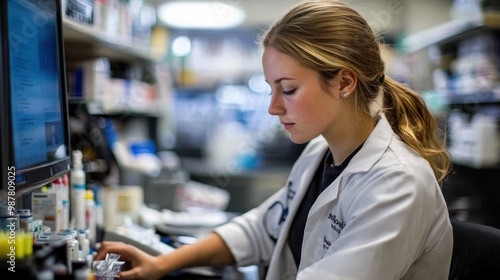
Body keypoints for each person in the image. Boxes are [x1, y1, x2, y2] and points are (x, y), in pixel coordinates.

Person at [95, 0, 453, 279]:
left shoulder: (397, 184)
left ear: (345, 82)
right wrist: (163, 262)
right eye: (271, 89)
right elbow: (260, 230)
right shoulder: (320, 153)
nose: (273, 107)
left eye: (288, 89)